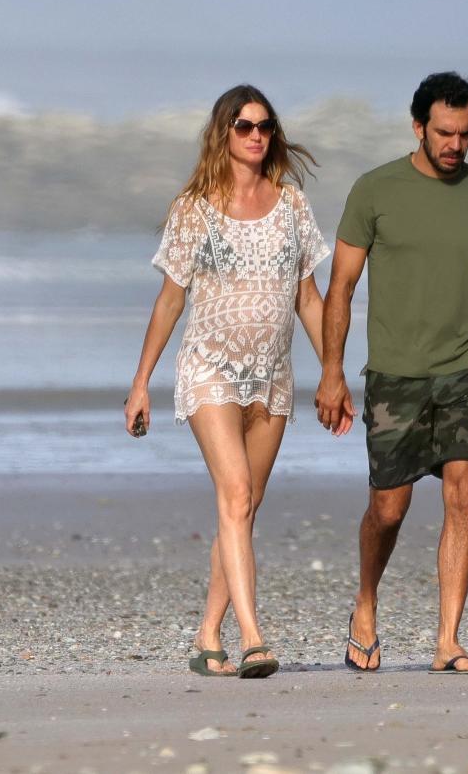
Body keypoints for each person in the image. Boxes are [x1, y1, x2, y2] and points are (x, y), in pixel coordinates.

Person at [124, 84, 349, 678]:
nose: (256, 135)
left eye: (266, 126)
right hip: (209, 368)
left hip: (273, 376)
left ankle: (207, 635)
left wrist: (334, 373)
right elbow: (171, 299)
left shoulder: (294, 205)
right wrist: (141, 381)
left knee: (243, 510)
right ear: (223, 131)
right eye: (245, 125)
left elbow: (308, 297)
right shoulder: (193, 208)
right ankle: (253, 638)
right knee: (237, 496)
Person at [315, 72, 468, 674]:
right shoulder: (375, 190)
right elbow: (341, 287)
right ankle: (365, 604)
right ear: (418, 127)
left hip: (465, 370)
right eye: (444, 132)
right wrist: (332, 373)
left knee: (465, 495)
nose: (455, 144)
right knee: (389, 509)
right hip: (395, 376)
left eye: (465, 133)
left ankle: (448, 639)